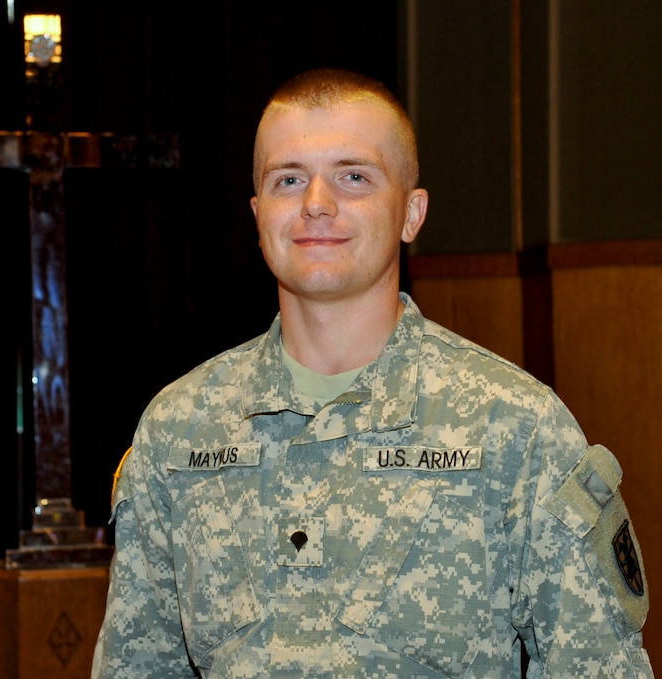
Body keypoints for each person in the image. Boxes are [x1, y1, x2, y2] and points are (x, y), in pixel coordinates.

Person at [91, 68, 654, 678]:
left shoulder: (515, 427)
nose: (316, 204)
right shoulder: (178, 431)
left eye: (353, 177)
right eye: (289, 179)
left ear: (411, 215)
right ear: (258, 215)